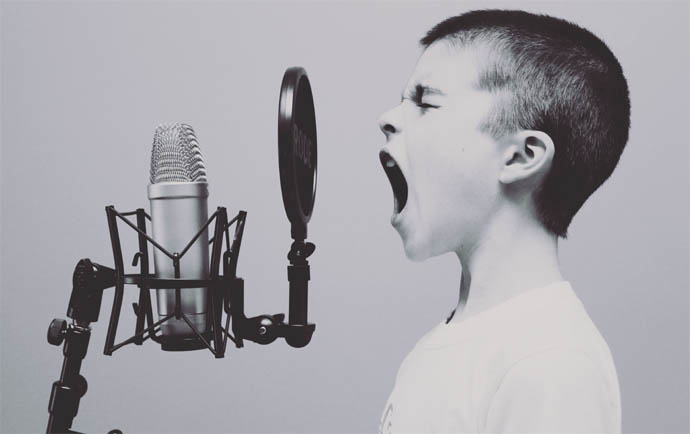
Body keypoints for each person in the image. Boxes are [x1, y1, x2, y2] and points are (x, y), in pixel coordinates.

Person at [377, 9, 629, 433]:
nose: (388, 118)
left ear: (521, 156)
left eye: (425, 102)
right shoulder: (446, 345)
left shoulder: (550, 363)